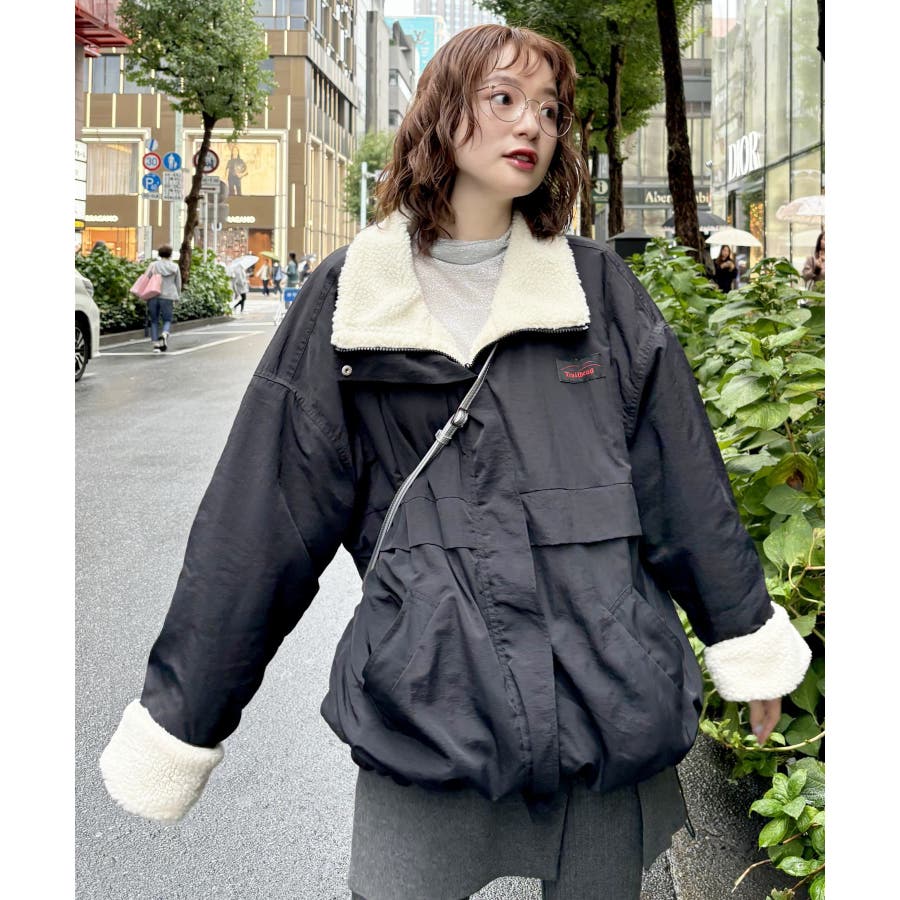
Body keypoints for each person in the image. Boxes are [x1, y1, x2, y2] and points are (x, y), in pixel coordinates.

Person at [99, 24, 811, 900]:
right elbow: (260, 522)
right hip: (427, 707)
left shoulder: (598, 294)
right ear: (440, 113)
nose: (532, 124)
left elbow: (684, 486)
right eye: (503, 98)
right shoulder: (354, 299)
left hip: (601, 703)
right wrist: (182, 719)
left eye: (549, 109)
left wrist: (744, 638)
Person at [143, 245, 181, 352]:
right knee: (167, 319)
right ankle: (164, 333)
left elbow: (146, 278)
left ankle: (156, 344)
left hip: (153, 294)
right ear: (170, 254)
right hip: (168, 296)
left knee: (154, 320)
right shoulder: (175, 267)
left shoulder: (153, 265)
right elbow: (178, 283)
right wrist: (177, 297)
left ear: (159, 254)